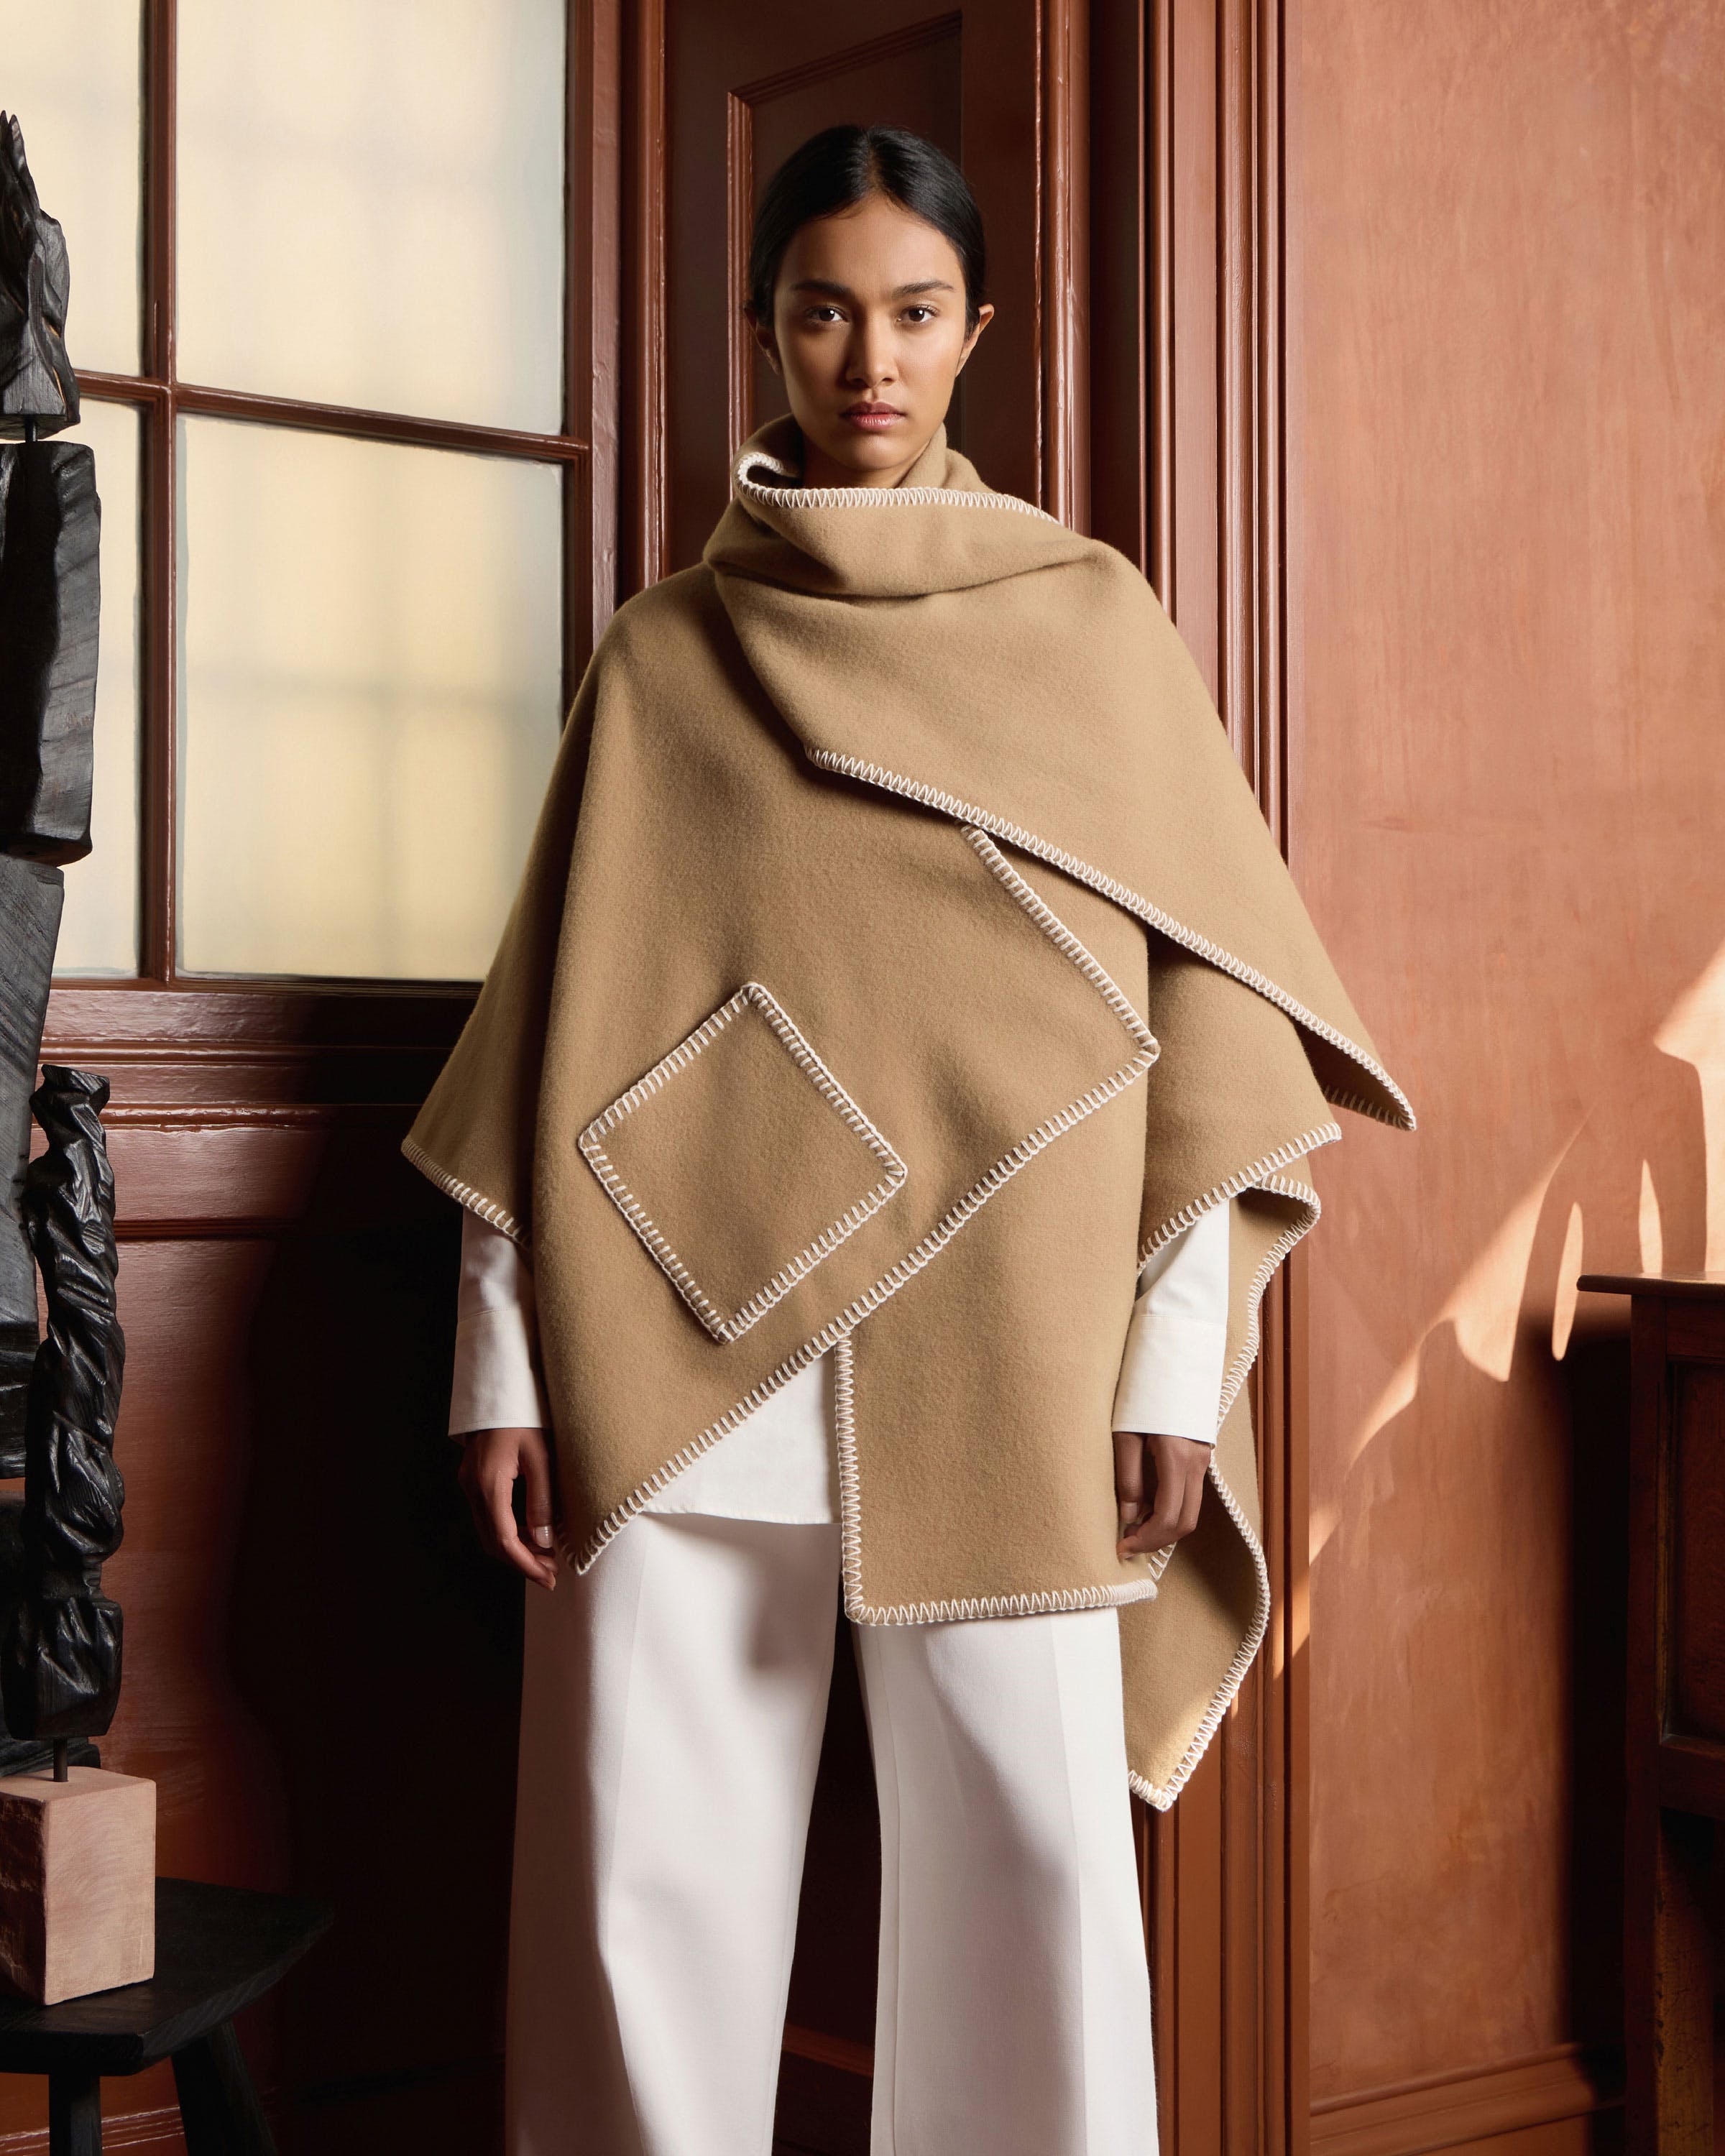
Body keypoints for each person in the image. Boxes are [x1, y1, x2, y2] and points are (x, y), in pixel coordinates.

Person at [403, 124, 1411, 2156]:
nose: (872, 358)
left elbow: (1203, 1017)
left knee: (1034, 1881)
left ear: (979, 334)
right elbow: (559, 1027)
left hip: (1016, 1329)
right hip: (685, 1320)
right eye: (824, 311)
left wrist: (1163, 1366)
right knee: (639, 1884)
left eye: (918, 314)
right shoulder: (664, 653)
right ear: (763, 331)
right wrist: (504, 1363)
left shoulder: (1094, 625)